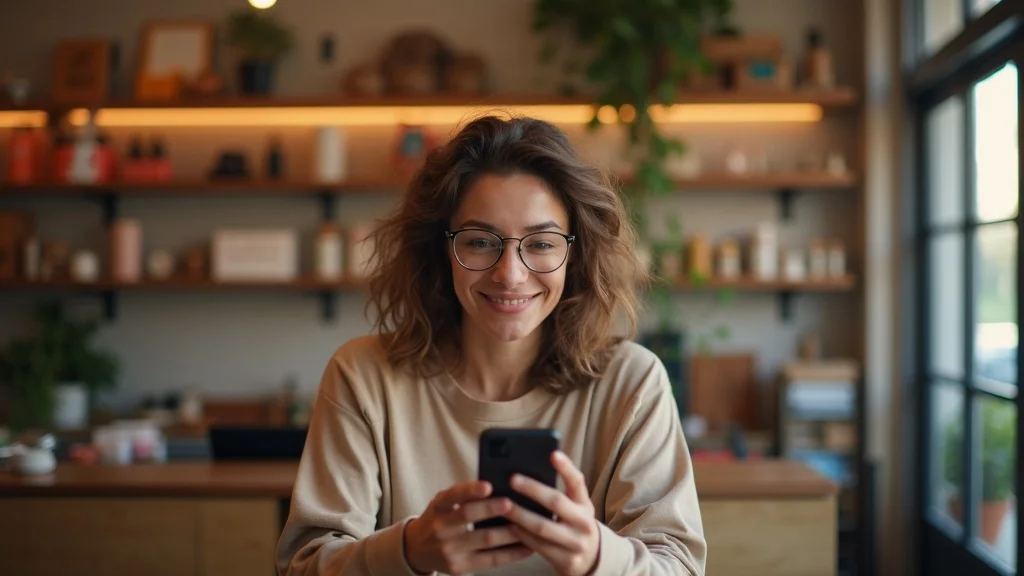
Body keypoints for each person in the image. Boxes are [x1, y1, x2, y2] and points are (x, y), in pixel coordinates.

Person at [276, 114, 706, 576]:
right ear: (442, 251)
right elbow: (303, 567)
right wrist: (408, 551)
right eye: (480, 241)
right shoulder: (363, 376)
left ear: (575, 254)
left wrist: (599, 557)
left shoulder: (633, 383)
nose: (510, 274)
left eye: (541, 243)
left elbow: (678, 567)